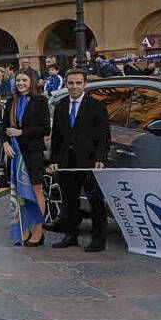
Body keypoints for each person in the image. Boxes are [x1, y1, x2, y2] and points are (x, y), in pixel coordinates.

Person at [47, 68, 109, 252]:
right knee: (69, 200)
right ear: (66, 84)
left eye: (78, 83)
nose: (74, 87)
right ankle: (71, 236)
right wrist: (54, 159)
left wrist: (101, 157)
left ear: (85, 84)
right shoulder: (61, 105)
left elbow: (104, 135)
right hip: (67, 161)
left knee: (95, 201)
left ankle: (98, 240)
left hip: (89, 161)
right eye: (71, 83)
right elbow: (56, 136)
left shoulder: (97, 106)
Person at [0, 68, 49, 247]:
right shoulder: (11, 101)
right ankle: (24, 228)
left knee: (35, 190)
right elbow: (3, 126)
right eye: (18, 80)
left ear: (31, 82)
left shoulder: (40, 101)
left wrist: (22, 132)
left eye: (24, 80)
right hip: (14, 152)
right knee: (18, 192)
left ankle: (38, 231)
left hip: (32, 152)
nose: (20, 83)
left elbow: (45, 128)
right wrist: (5, 142)